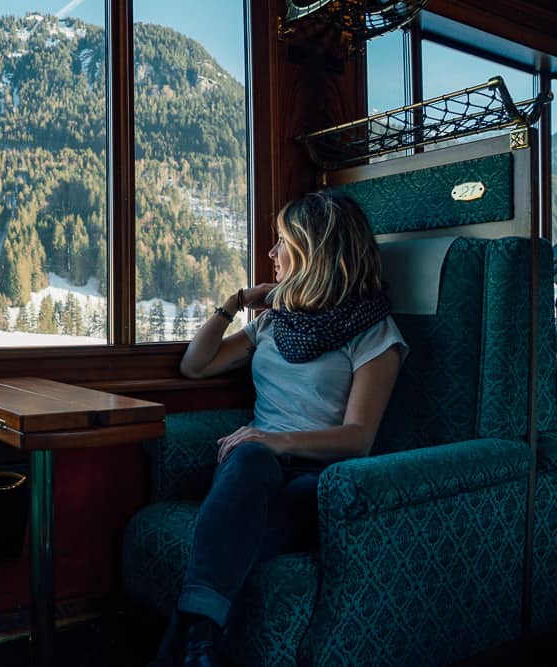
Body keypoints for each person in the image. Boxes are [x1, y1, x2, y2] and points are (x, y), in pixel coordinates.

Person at [155, 190, 409, 667]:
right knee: (248, 463)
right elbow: (195, 366)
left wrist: (273, 440)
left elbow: (359, 437)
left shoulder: (375, 333)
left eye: (281, 243)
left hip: (322, 479)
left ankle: (189, 644)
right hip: (253, 474)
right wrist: (234, 303)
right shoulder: (274, 323)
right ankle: (198, 649)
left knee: (247, 499)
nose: (271, 254)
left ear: (313, 252)